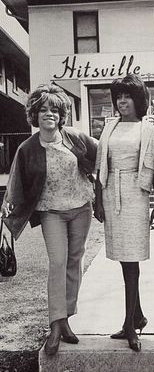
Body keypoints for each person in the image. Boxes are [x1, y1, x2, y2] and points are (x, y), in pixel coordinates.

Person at [1, 84, 97, 355]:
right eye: (43, 109)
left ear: (62, 114)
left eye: (54, 109)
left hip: (80, 208)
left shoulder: (75, 138)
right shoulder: (27, 148)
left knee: (74, 262)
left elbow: (102, 154)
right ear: (34, 114)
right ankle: (56, 325)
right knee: (57, 263)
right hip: (51, 212)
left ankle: (66, 318)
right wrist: (7, 222)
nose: (49, 114)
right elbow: (15, 186)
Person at [94, 74, 154, 352]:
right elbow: (100, 165)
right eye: (119, 97)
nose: (123, 101)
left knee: (132, 260)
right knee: (124, 260)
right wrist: (98, 200)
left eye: (128, 96)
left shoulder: (149, 130)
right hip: (112, 193)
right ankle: (137, 315)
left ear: (139, 99)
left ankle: (130, 325)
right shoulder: (109, 128)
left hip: (136, 193)